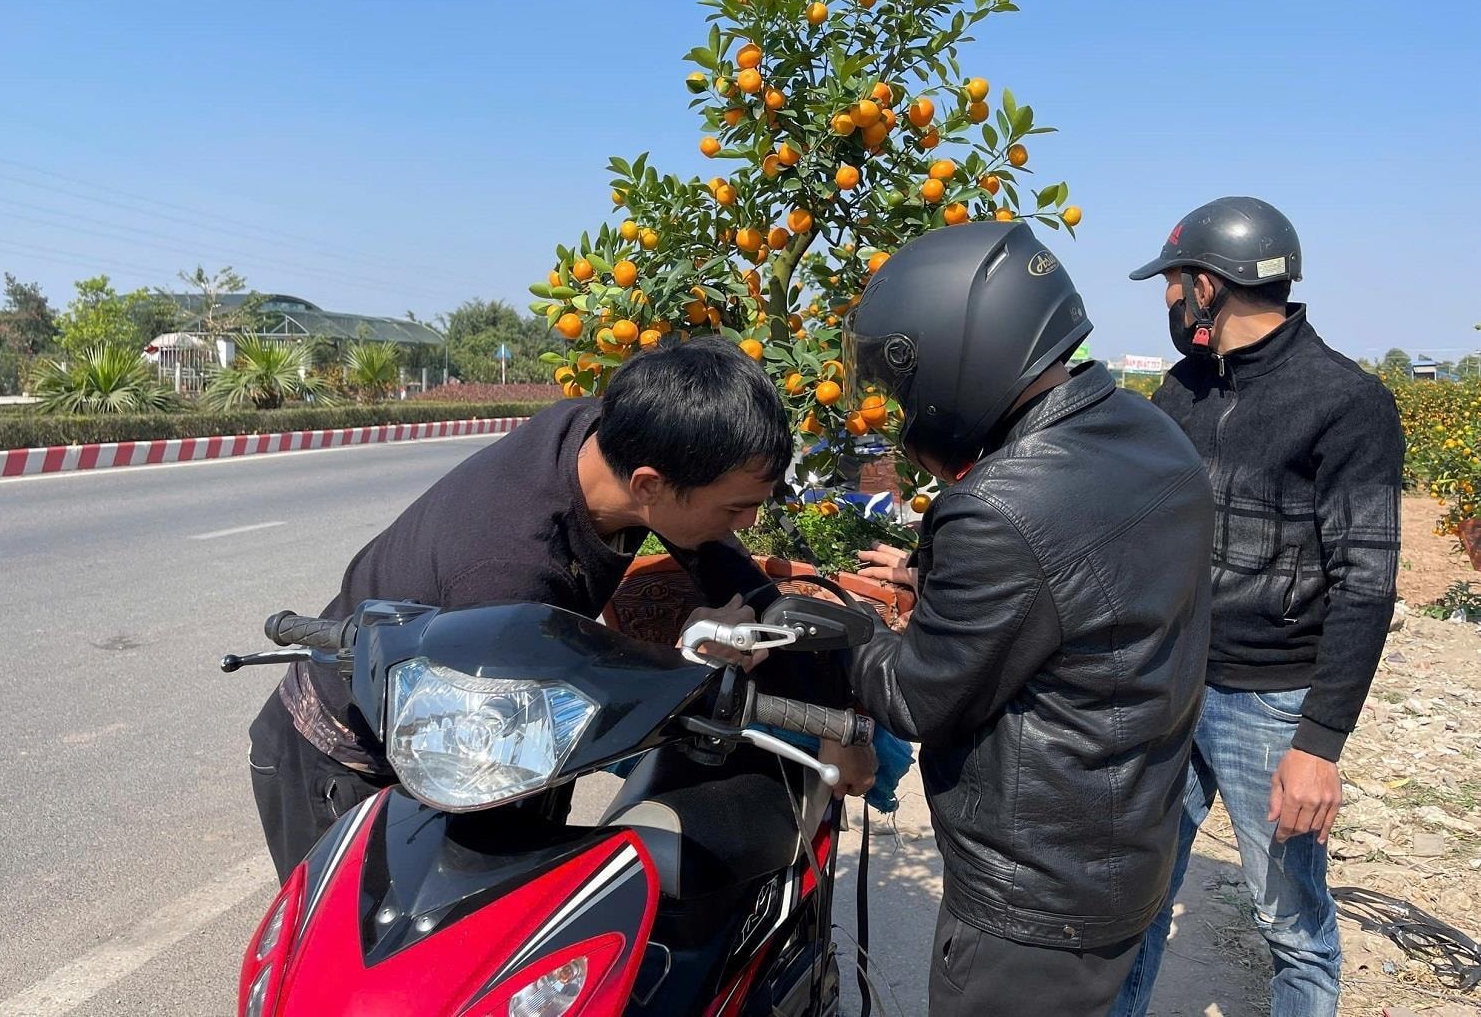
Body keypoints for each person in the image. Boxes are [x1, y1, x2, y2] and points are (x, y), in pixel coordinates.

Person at [248, 337, 872, 882]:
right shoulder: (510, 565)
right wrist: (682, 662)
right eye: (735, 508)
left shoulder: (609, 437)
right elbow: (537, 709)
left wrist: (833, 721)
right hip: (359, 766)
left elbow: (725, 565)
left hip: (482, 728)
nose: (749, 523)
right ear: (650, 484)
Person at [842, 220, 1215, 1016]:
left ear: (956, 355)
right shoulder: (1147, 430)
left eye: (906, 381)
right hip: (1123, 841)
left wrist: (843, 631)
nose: (907, 407)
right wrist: (933, 580)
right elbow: (1083, 588)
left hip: (1033, 898)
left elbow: (914, 697)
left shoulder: (997, 508)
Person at [1110, 196, 1405, 1016]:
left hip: (1268, 704)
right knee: (1129, 904)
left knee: (1290, 925)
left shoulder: (1344, 402)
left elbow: (1366, 580)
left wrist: (1318, 744)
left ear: (1206, 285)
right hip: (1171, 687)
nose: (1167, 302)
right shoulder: (1183, 389)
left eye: (1171, 285)